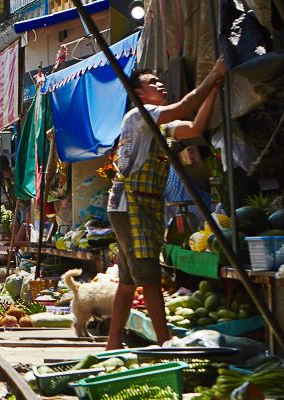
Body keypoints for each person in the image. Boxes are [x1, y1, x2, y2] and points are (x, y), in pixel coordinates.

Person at [105, 59, 226, 350]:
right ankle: (165, 343)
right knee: (148, 275)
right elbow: (185, 107)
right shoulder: (139, 115)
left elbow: (195, 125)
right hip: (131, 204)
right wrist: (214, 74)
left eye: (160, 81)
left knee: (127, 280)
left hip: (141, 206)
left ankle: (113, 343)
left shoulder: (160, 124)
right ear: (140, 93)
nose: (160, 85)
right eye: (152, 83)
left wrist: (213, 90)